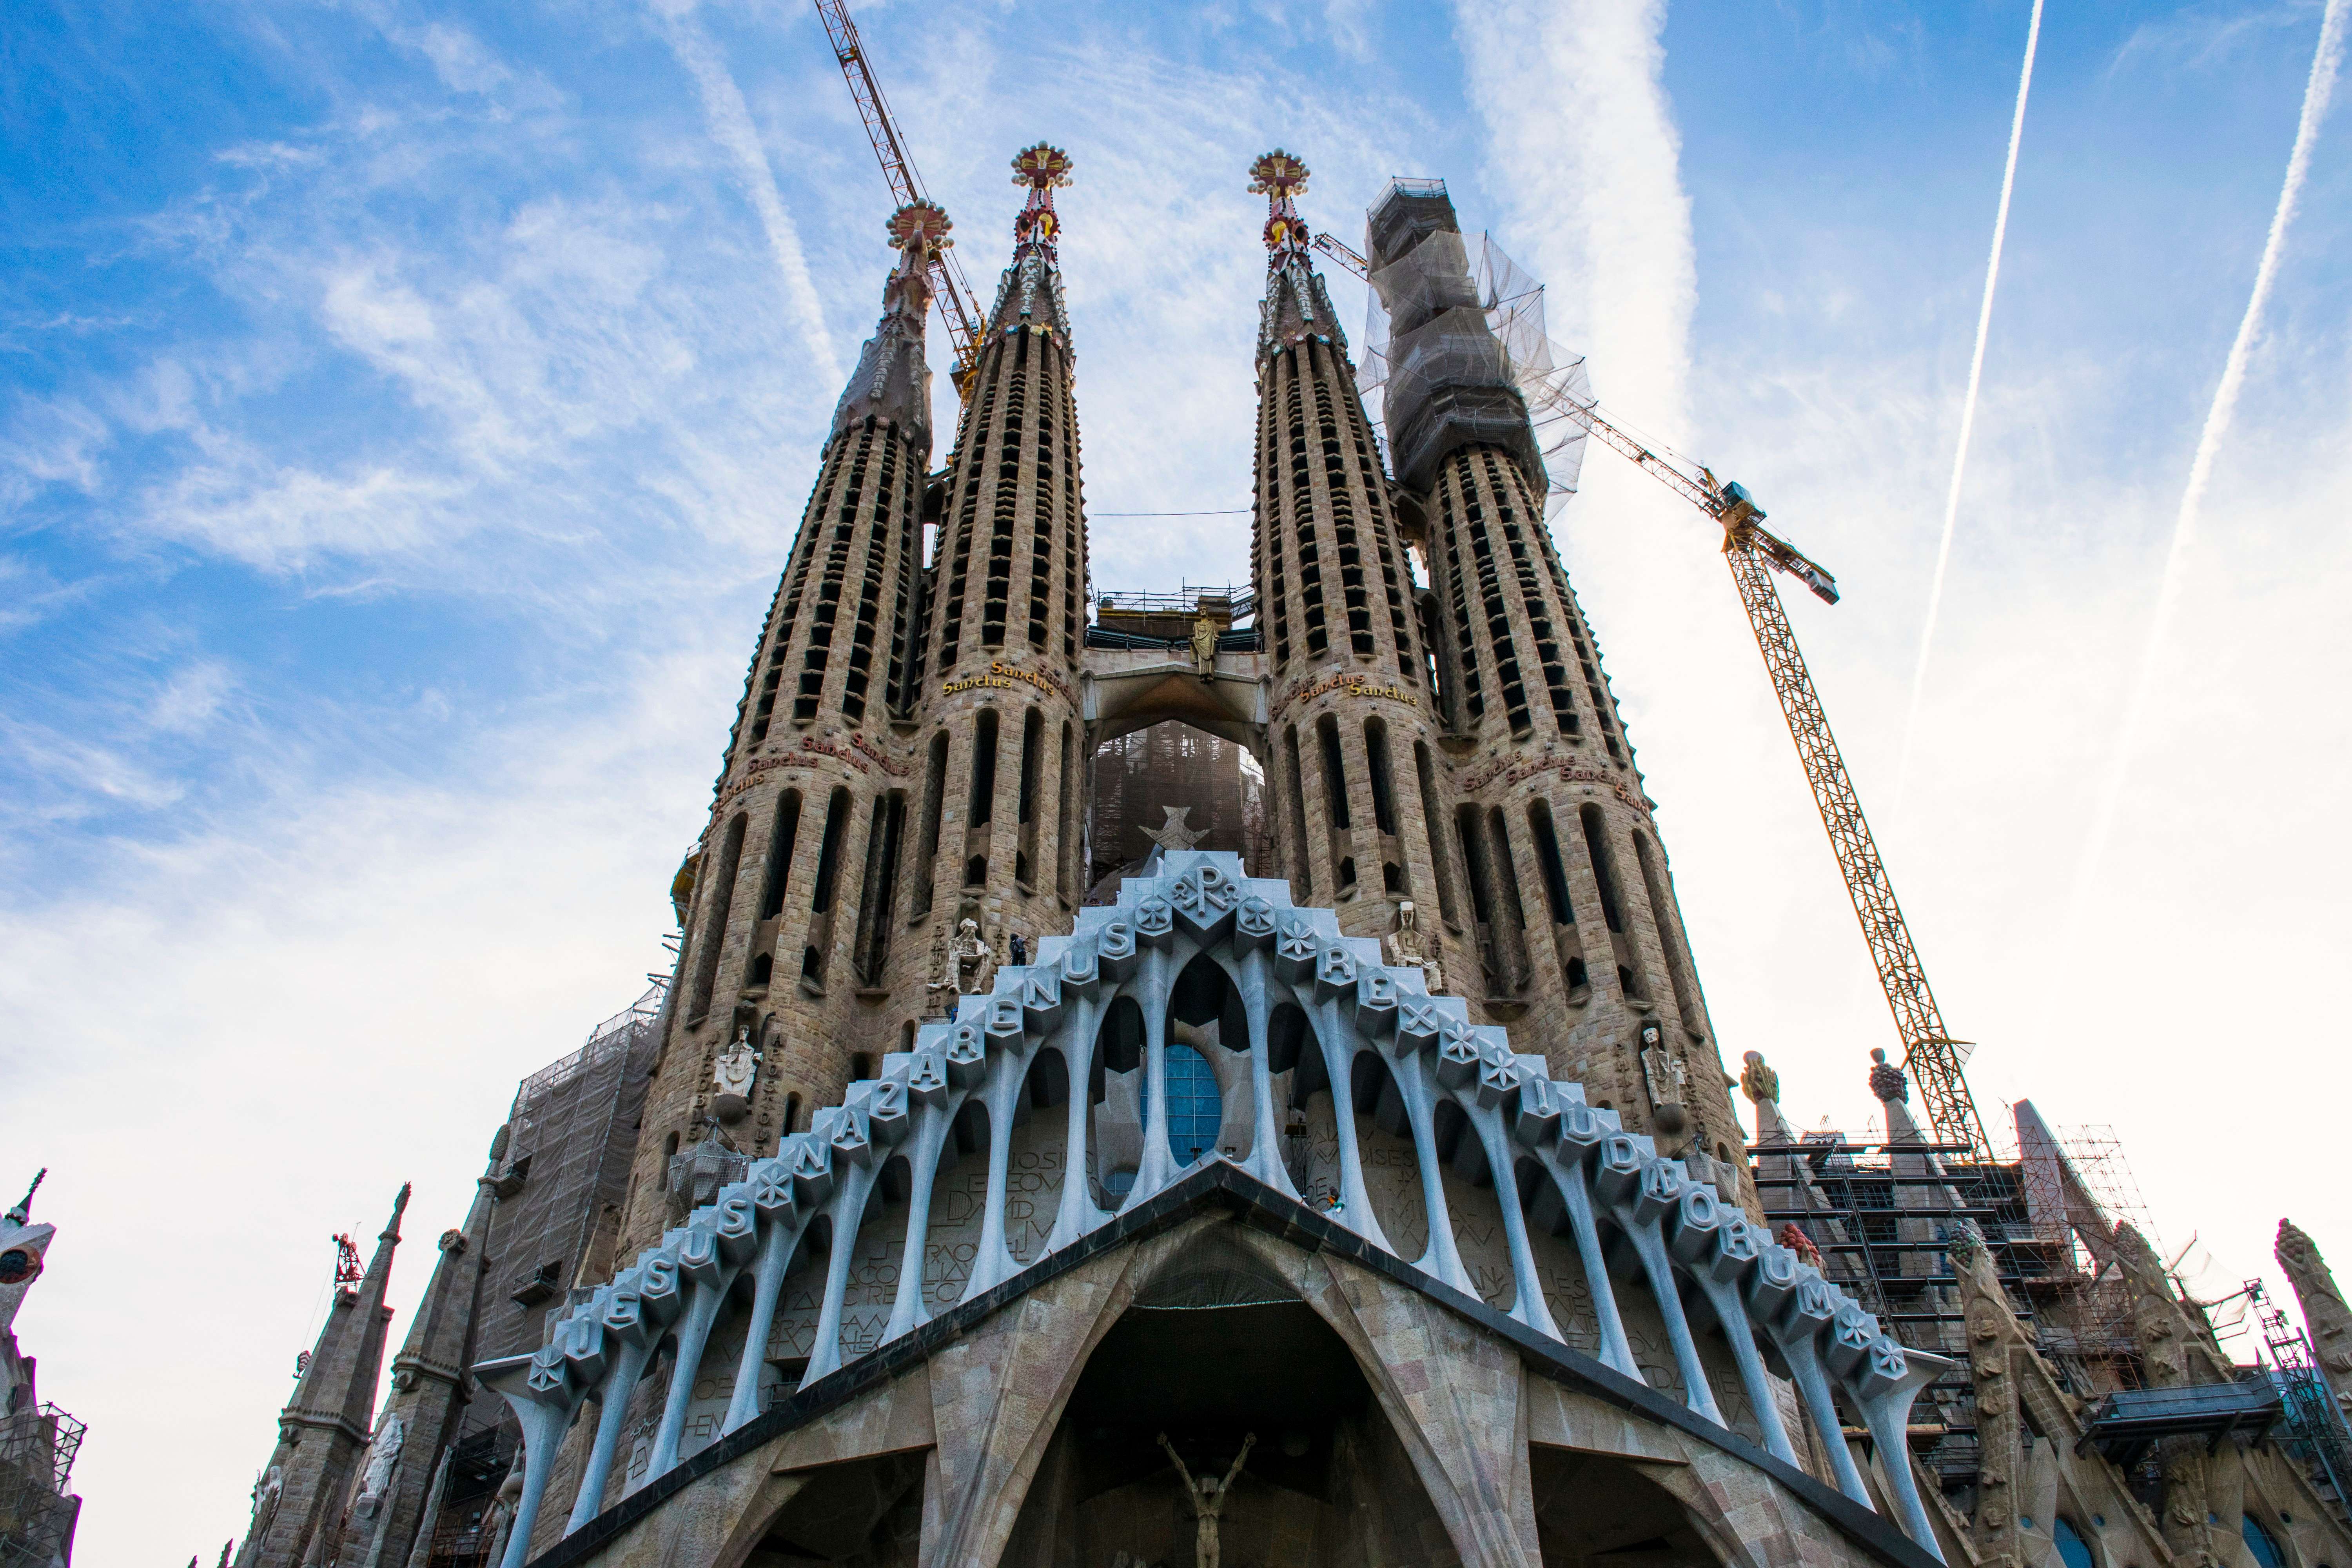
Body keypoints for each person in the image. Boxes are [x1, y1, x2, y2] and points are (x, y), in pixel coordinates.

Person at [1157, 1431, 1255, 1568]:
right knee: (1225, 1483)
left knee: (1190, 1476)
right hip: (1212, 1522)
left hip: (1204, 1524)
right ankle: (1248, 1446)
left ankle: (1167, 1445)